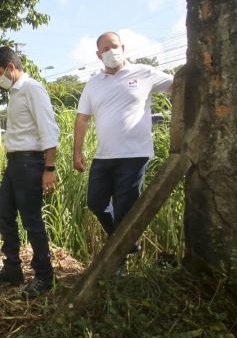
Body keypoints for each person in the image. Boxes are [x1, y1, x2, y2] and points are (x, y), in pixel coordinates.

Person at [73, 31, 173, 273]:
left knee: (123, 208)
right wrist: (77, 152)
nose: (111, 52)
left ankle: (117, 265)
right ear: (99, 55)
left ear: (123, 47)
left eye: (115, 46)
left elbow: (177, 85)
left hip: (133, 155)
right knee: (95, 202)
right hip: (103, 156)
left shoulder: (144, 73)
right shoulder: (93, 83)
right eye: (106, 49)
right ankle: (127, 241)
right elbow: (82, 118)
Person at [0, 46, 60, 299]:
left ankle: (44, 275)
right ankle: (13, 270)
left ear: (11, 67)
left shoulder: (32, 89)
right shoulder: (15, 93)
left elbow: (49, 130)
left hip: (30, 163)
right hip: (15, 163)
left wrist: (49, 168)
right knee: (4, 215)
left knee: (31, 220)